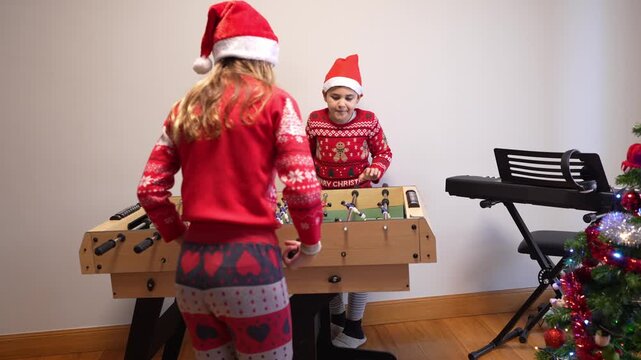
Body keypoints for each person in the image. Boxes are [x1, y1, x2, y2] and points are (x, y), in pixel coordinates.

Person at [136, 2, 323, 359]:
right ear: (264, 58)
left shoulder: (183, 108)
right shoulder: (277, 102)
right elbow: (301, 186)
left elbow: (149, 190)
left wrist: (178, 235)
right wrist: (310, 246)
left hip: (192, 270)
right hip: (253, 266)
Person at [305, 54, 393, 348]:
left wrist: (375, 169)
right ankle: (337, 318)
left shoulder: (369, 121)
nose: (341, 103)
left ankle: (355, 326)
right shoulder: (315, 120)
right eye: (335, 96)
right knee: (328, 261)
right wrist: (307, 179)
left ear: (359, 97)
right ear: (324, 95)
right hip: (324, 199)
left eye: (348, 97)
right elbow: (304, 155)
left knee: (358, 262)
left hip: (362, 199)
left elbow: (384, 153)